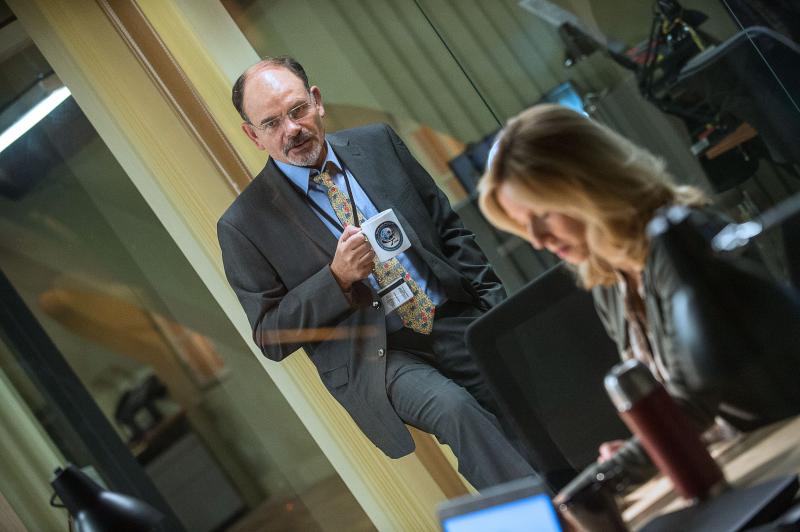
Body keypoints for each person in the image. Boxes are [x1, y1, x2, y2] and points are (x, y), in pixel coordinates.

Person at [217, 56, 536, 490]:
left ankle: (579, 500)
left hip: (450, 314)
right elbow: (270, 335)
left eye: (297, 110)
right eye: (271, 124)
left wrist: (495, 307)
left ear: (316, 101)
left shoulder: (379, 143)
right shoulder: (244, 224)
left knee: (524, 406)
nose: (291, 129)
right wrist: (336, 278)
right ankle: (544, 515)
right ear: (253, 135)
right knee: (455, 409)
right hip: (380, 358)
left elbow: (447, 227)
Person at [479, 103, 740, 480]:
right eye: (524, 224)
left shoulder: (680, 244)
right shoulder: (610, 278)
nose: (536, 239)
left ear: (590, 184)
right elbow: (669, 405)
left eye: (542, 214)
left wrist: (608, 476)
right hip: (723, 457)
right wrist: (643, 447)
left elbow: (694, 404)